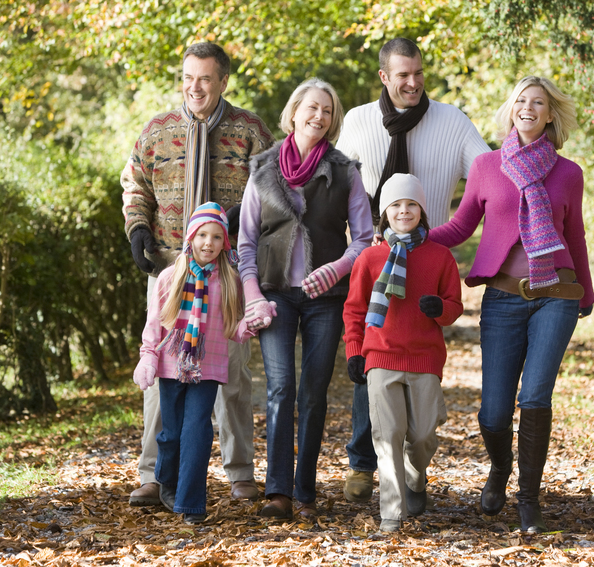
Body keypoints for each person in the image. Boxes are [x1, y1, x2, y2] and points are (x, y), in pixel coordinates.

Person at [428, 76, 594, 533]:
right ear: (512, 109)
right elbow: (461, 227)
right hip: (502, 299)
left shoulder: (568, 172)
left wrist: (588, 290)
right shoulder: (485, 166)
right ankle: (500, 467)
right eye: (521, 100)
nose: (528, 107)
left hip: (556, 296)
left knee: (536, 396)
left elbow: (574, 234)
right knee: (494, 413)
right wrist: (418, 236)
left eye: (537, 102)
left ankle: (528, 500)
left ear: (549, 115)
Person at [335, 37, 490, 503]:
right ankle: (365, 465)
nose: (413, 82)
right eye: (403, 75)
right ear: (384, 76)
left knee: (418, 388)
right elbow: (336, 183)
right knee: (372, 363)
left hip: (427, 257)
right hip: (374, 257)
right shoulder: (359, 121)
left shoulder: (452, 121)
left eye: (418, 73)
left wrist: (453, 238)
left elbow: (486, 177)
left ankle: (410, 466)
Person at [121, 41, 274, 506]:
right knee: (160, 374)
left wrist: (238, 219)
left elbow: (272, 190)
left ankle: (239, 471)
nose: (195, 87)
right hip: (170, 272)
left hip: (227, 275)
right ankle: (153, 474)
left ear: (223, 81)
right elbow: (135, 184)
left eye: (205, 78)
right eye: (188, 78)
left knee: (232, 372)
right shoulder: (157, 131)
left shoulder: (249, 131)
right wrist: (138, 229)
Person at [237, 77, 374, 519]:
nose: (319, 116)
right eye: (311, 107)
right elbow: (245, 243)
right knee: (280, 389)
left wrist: (335, 269)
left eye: (327, 111)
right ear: (294, 111)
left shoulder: (344, 171)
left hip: (327, 299)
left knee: (314, 393)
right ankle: (277, 492)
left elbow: (365, 239)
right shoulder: (261, 168)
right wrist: (253, 295)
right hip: (275, 298)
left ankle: (305, 491)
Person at [343, 173, 463, 532]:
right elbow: (354, 309)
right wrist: (354, 351)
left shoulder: (440, 257)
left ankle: (415, 473)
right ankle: (392, 515)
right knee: (387, 435)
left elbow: (455, 306)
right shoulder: (370, 258)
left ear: (422, 211)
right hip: (380, 356)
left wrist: (438, 308)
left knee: (424, 434)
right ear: (385, 213)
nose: (404, 210)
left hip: (425, 357)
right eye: (395, 204)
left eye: (411, 204)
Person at [132, 203, 256, 524]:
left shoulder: (229, 280)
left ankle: (191, 504)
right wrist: (148, 357)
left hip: (209, 366)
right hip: (172, 366)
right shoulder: (170, 277)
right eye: (202, 235)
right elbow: (154, 324)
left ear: (224, 243)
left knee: (197, 430)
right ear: (191, 237)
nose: (208, 243)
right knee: (171, 433)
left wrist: (250, 325)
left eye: (217, 237)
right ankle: (166, 479)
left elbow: (235, 326)